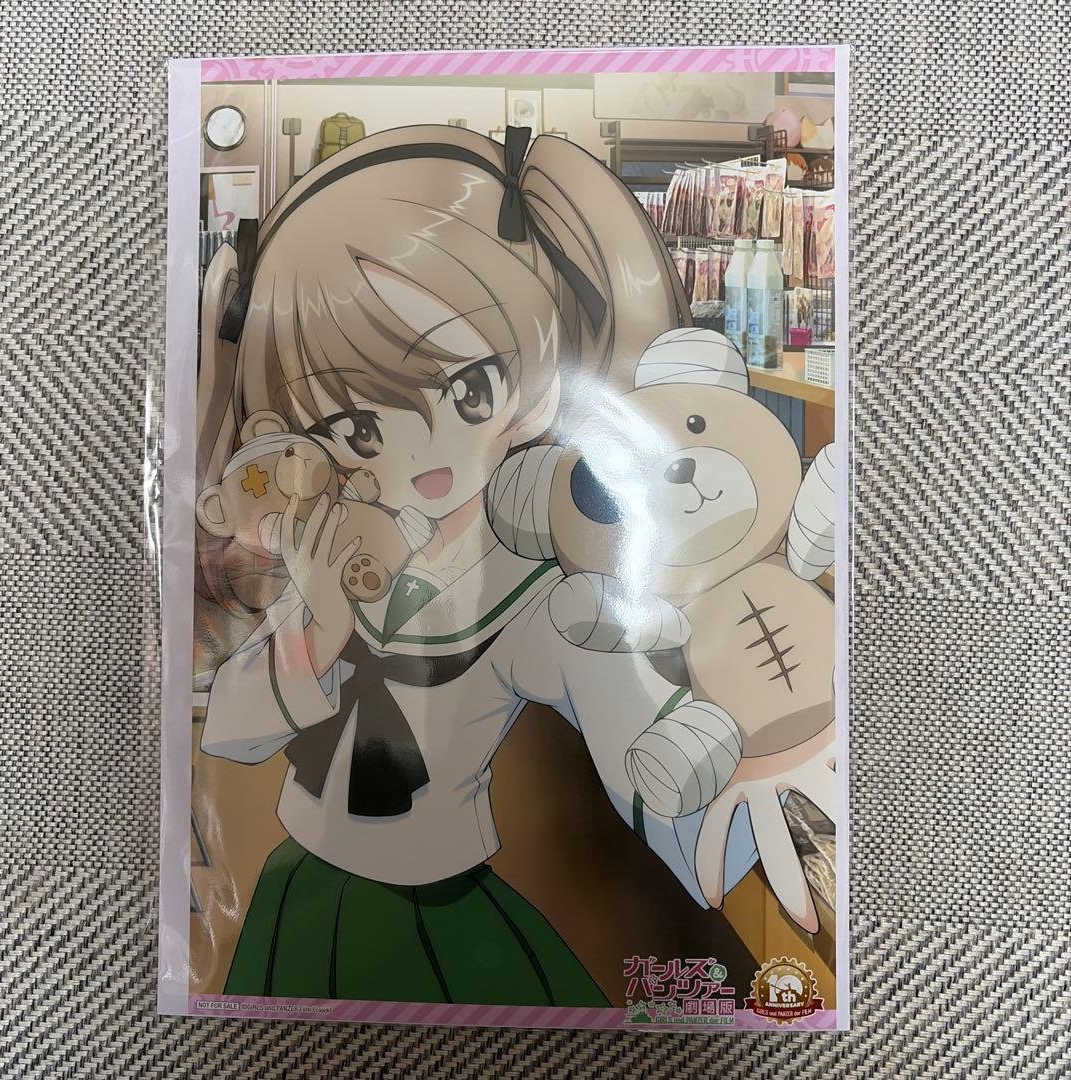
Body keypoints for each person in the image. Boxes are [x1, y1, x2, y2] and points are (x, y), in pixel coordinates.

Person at [195, 124, 810, 1005]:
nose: (423, 456)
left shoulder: (533, 583)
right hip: (300, 892)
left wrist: (727, 770)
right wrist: (317, 632)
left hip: (437, 905)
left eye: (469, 390)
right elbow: (233, 731)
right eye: (358, 426)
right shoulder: (333, 544)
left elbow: (626, 725)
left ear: (537, 378)